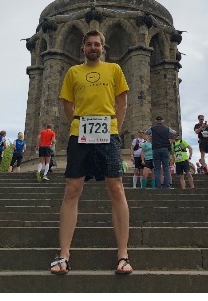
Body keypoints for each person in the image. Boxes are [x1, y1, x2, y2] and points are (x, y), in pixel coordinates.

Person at [51, 29, 131, 275]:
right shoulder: (73, 72)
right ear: (82, 48)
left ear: (103, 48)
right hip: (81, 133)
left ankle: (123, 255)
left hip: (108, 132)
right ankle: (63, 254)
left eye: (97, 44)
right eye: (89, 44)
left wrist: (114, 129)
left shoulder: (114, 70)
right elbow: (66, 103)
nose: (93, 47)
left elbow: (122, 102)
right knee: (72, 189)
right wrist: (77, 122)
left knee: (116, 187)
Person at [145, 116, 177, 189]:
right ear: (163, 121)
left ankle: (158, 186)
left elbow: (146, 132)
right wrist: (170, 137)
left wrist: (153, 136)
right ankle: (167, 186)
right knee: (166, 168)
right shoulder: (167, 128)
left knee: (157, 169)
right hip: (165, 149)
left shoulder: (152, 128)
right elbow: (175, 133)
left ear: (156, 121)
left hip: (156, 149)